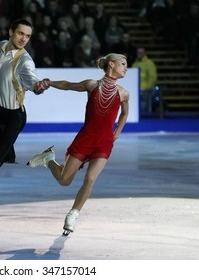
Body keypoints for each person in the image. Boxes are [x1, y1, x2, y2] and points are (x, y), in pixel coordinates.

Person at [27, 53, 129, 235]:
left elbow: (124, 113)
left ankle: (74, 213)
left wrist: (117, 133)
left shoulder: (123, 93)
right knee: (64, 181)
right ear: (111, 65)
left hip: (104, 143)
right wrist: (50, 83)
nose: (126, 68)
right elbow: (67, 85)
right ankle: (49, 159)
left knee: (90, 178)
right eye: (123, 64)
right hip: (86, 139)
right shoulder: (92, 85)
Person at [0, 18, 50, 226]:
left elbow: (32, 81)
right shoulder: (2, 46)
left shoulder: (25, 61)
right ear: (11, 32)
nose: (24, 39)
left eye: (28, 36)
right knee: (2, 150)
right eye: (20, 33)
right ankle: (9, 153)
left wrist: (38, 87)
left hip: (14, 118)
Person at [132, 47, 157, 115]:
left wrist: (147, 88)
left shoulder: (149, 63)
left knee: (143, 102)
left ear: (145, 53)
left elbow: (152, 77)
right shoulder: (135, 64)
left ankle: (145, 114)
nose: (139, 54)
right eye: (138, 52)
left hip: (145, 89)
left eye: (141, 52)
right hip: (135, 89)